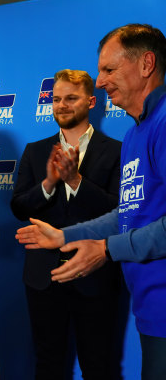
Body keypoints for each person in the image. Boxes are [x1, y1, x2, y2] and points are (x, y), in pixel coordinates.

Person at [16, 24, 166, 380]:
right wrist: (63, 236)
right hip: (150, 309)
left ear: (146, 64)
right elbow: (127, 214)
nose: (101, 81)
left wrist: (107, 249)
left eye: (109, 70)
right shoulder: (135, 134)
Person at [10, 69, 122, 379]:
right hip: (42, 276)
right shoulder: (35, 150)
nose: (61, 105)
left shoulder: (117, 150)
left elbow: (119, 211)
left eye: (70, 98)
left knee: (98, 366)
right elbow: (19, 207)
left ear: (90, 101)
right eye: (56, 99)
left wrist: (74, 180)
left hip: (95, 274)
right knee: (47, 364)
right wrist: (48, 182)